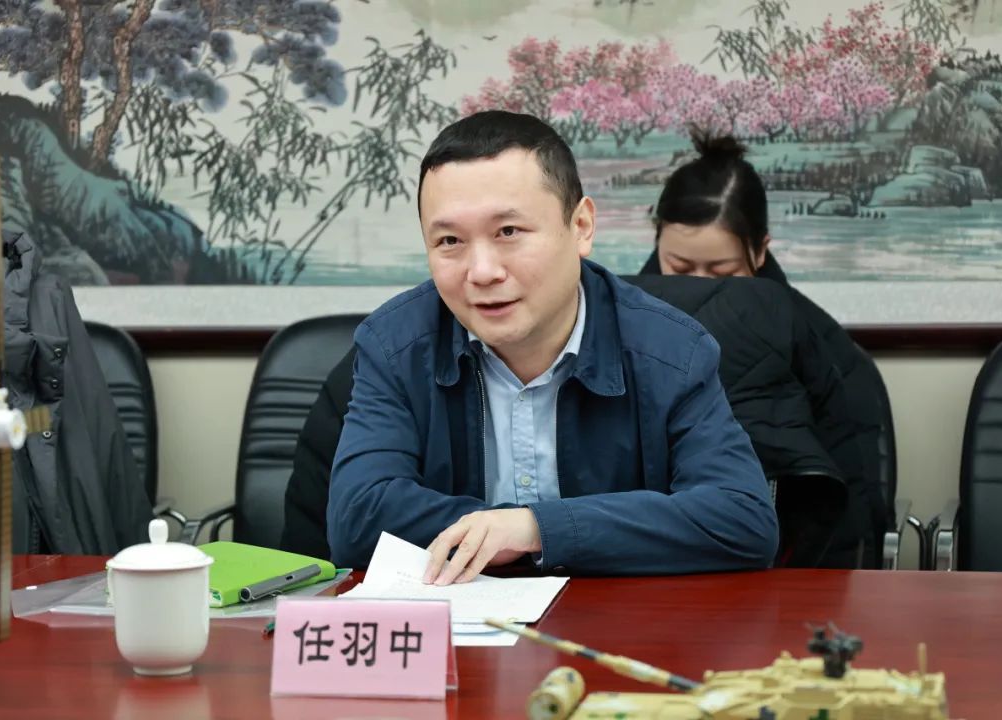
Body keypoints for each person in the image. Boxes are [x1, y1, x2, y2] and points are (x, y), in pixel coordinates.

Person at [322, 110, 778, 583]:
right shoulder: (393, 346)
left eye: (508, 232)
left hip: (614, 621)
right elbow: (357, 519)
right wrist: (495, 529)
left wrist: (536, 529)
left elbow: (741, 519)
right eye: (450, 240)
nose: (482, 272)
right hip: (459, 625)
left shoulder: (671, 349)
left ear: (581, 226)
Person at [638, 131, 886, 568]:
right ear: (657, 240)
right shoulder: (611, 324)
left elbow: (851, 506)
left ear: (759, 251)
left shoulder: (822, 348)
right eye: (678, 267)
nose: (698, 288)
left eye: (721, 272)